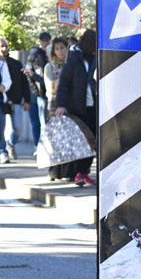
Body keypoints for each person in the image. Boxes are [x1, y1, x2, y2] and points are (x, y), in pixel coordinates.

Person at [53, 29, 97, 187]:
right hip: (78, 108)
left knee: (94, 142)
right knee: (82, 142)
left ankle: (84, 172)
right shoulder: (74, 59)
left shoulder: (96, 59)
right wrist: (61, 105)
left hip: (94, 107)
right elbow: (64, 83)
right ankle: (79, 173)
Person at [42, 37, 73, 181]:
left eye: (63, 48)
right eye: (57, 48)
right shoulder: (50, 66)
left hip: (69, 103)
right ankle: (53, 171)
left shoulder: (71, 64)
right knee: (55, 138)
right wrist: (65, 78)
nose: (60, 51)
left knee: (68, 139)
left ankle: (67, 171)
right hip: (54, 103)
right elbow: (51, 87)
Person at [0, 38, 31, 163]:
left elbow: (24, 83)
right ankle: (3, 152)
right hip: (2, 101)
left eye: (6, 46)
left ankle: (11, 143)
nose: (4, 49)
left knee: (18, 127)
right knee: (1, 127)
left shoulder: (16, 64)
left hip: (15, 100)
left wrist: (27, 100)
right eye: (2, 46)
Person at [24, 32, 52, 152]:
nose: (44, 42)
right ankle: (37, 146)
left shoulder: (51, 55)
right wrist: (35, 90)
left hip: (46, 93)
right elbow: (28, 75)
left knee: (44, 123)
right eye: (42, 40)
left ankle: (44, 148)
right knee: (36, 123)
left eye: (46, 40)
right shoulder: (34, 55)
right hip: (35, 94)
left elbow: (48, 77)